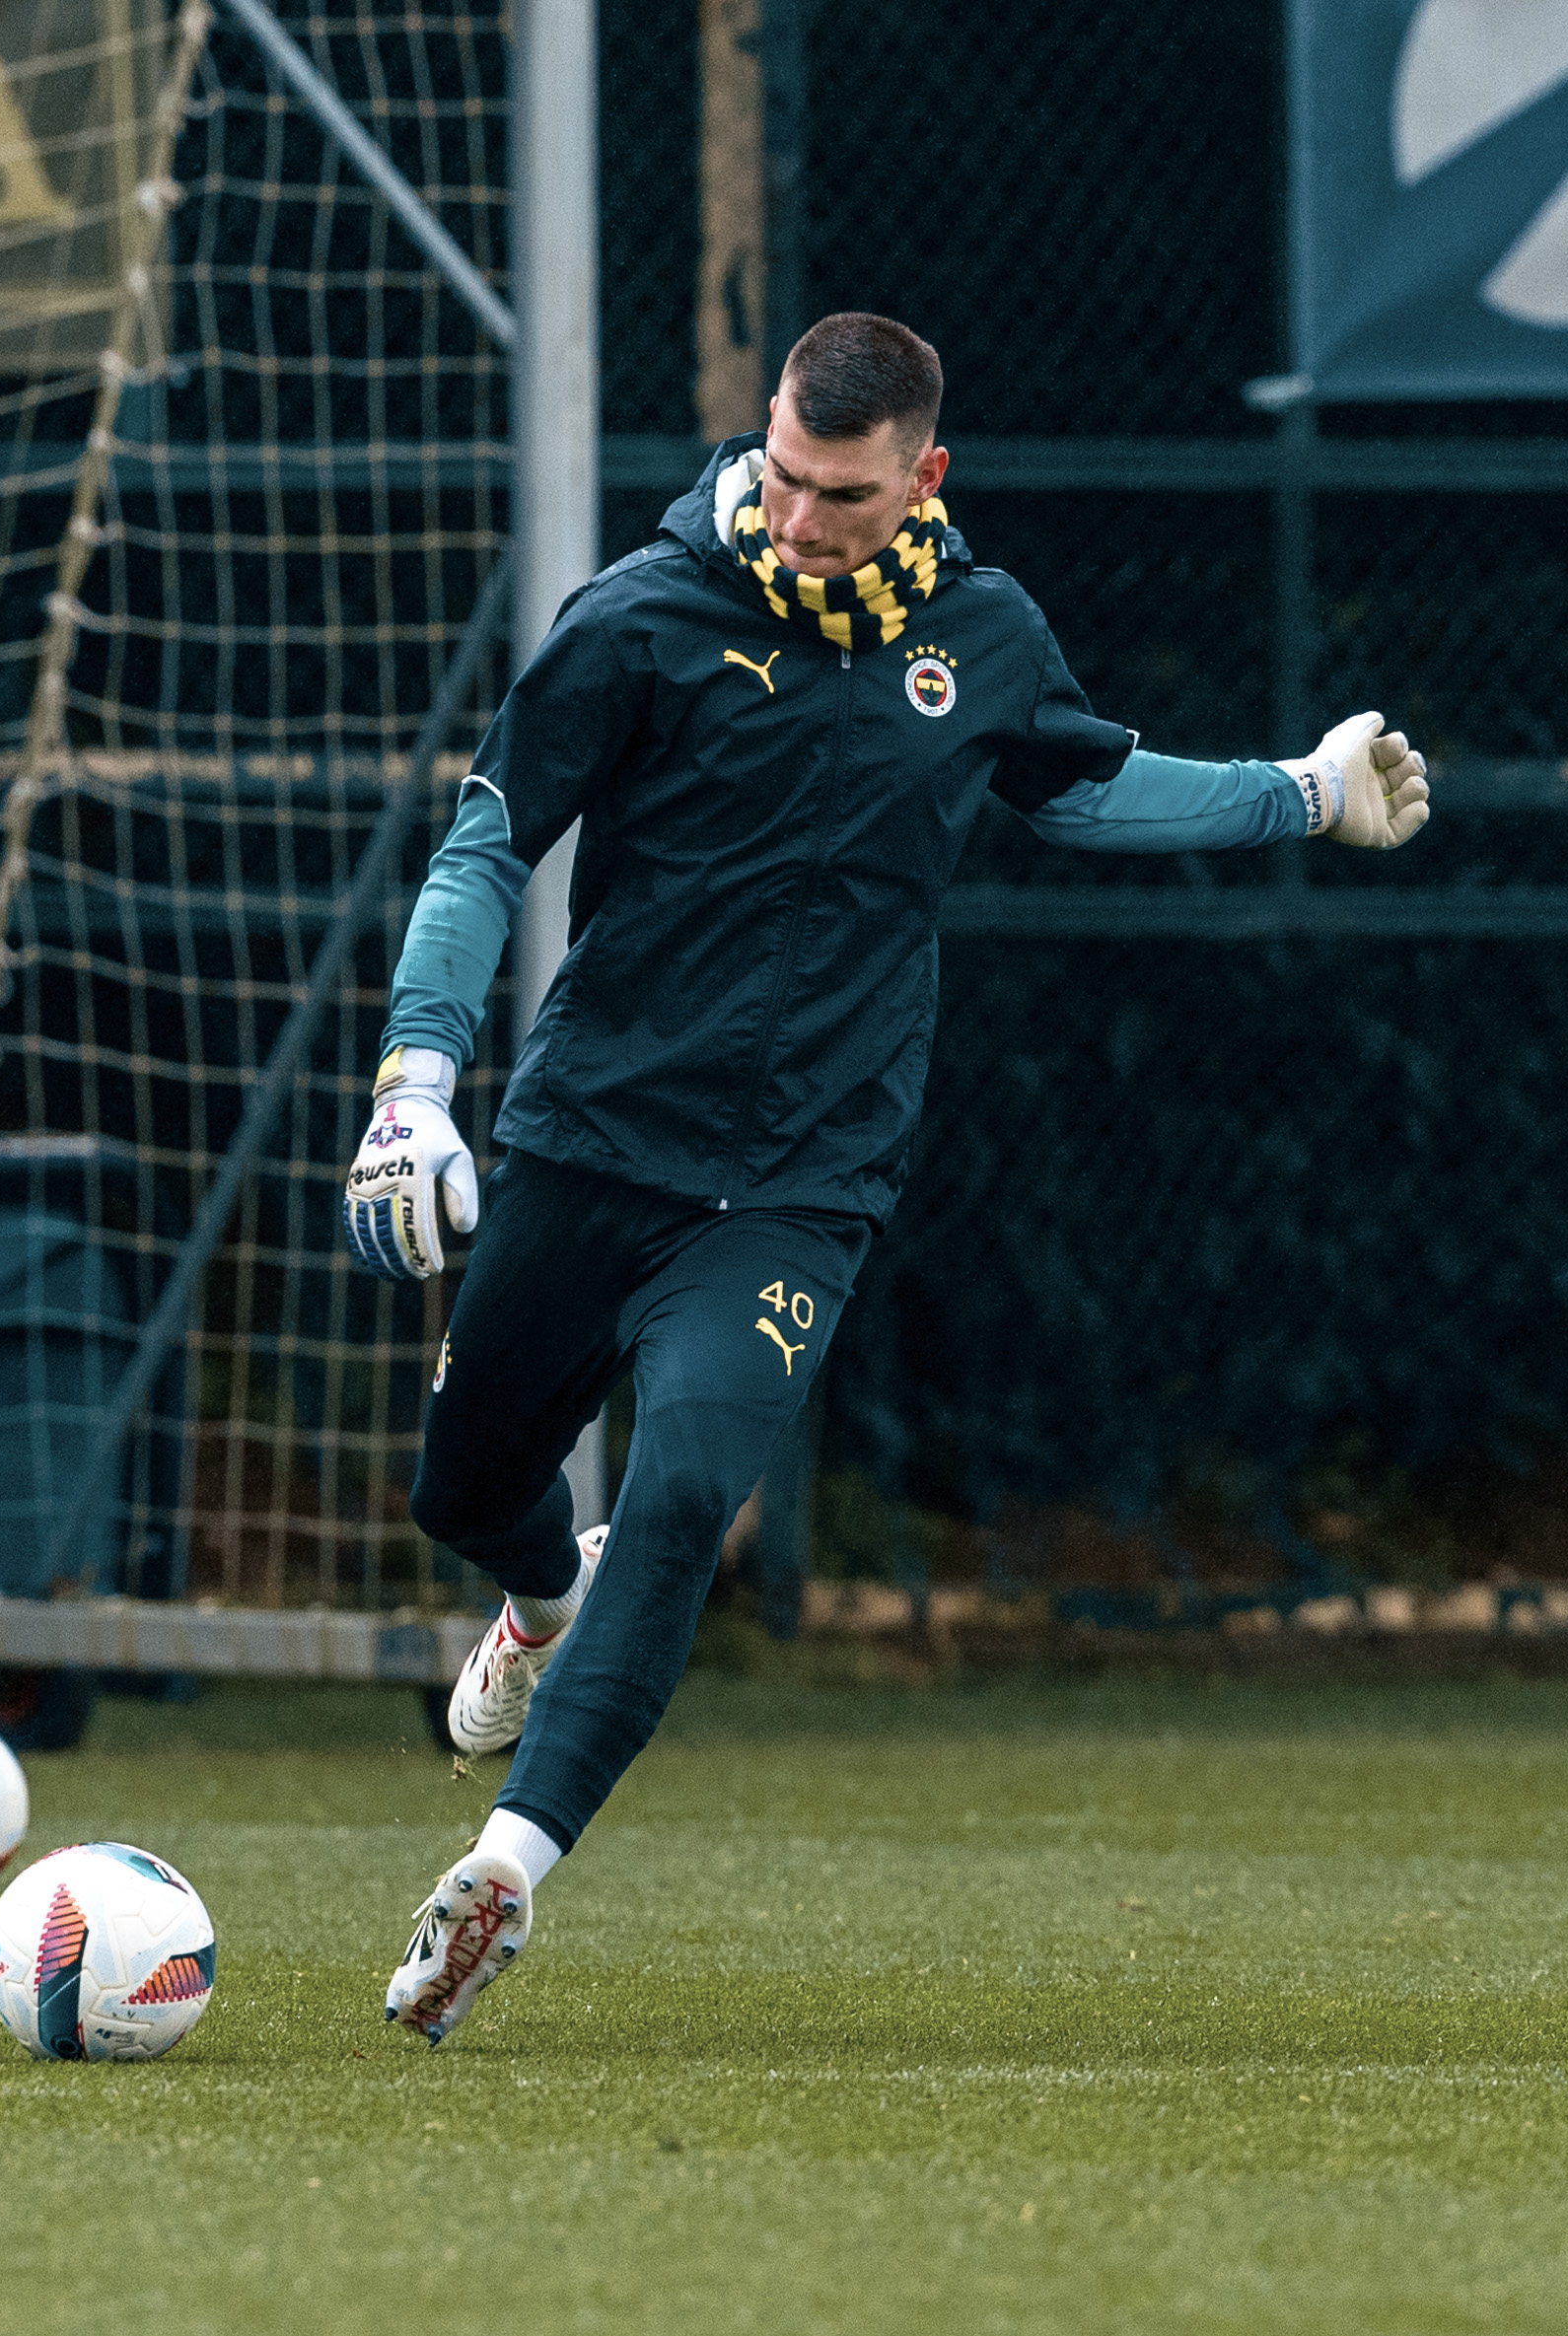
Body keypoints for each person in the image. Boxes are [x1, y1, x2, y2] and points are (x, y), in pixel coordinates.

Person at [339, 313, 1429, 2044]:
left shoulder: (979, 635)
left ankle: (503, 1872)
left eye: (839, 495)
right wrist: (414, 1083)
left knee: (682, 1497)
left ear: (924, 477)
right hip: (590, 1137)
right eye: (779, 475)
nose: (796, 519)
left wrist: (1297, 793)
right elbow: (487, 842)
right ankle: (540, 1602)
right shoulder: (641, 615)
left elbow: (1081, 791)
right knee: (464, 1490)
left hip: (799, 1181)